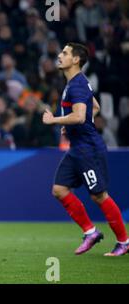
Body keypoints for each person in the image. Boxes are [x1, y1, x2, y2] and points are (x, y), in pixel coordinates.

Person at [42, 43, 128, 256]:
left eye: (65, 53)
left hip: (88, 148)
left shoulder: (77, 85)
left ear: (76, 60)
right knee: (59, 189)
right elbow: (94, 107)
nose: (60, 56)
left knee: (99, 196)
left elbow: (81, 116)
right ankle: (90, 232)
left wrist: (55, 120)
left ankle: (124, 242)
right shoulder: (75, 83)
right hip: (77, 148)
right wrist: (68, 124)